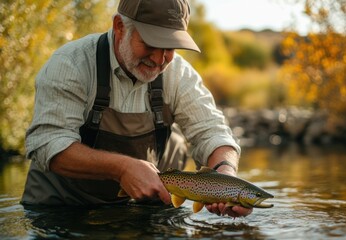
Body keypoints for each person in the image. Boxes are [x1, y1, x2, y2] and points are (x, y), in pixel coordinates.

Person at [21, 0, 252, 218]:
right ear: (119, 27)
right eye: (152, 43)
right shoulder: (70, 64)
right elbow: (48, 143)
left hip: (141, 213)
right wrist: (122, 168)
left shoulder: (179, 74)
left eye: (171, 47)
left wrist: (226, 176)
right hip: (60, 211)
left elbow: (212, 132)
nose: (160, 59)